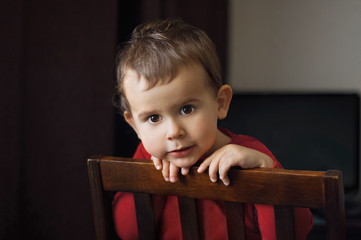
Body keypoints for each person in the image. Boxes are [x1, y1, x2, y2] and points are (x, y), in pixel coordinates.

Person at [113, 19, 313, 239]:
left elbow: (292, 233)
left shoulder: (251, 157)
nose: (173, 132)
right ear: (135, 126)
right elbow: (129, 233)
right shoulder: (147, 158)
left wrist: (267, 173)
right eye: (153, 118)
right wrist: (153, 183)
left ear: (220, 103)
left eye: (187, 109)